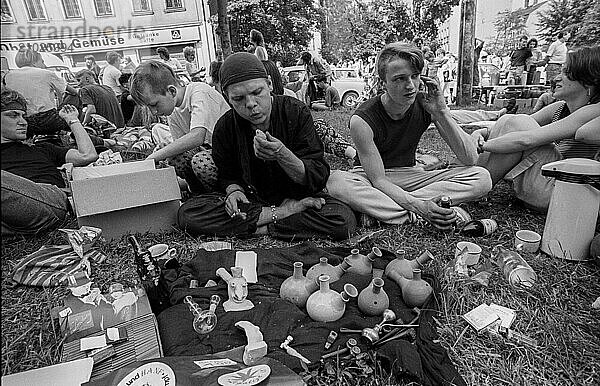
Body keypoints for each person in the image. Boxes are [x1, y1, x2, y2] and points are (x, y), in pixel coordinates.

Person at [177, 53, 357, 240]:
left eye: (257, 93)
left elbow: (318, 175)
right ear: (227, 97)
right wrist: (234, 190)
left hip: (297, 195)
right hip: (254, 202)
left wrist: (282, 154)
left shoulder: (295, 112)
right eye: (238, 99)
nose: (251, 104)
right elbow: (227, 175)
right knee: (188, 214)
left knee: (342, 220)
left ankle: (258, 227)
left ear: (269, 84)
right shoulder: (225, 126)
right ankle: (283, 215)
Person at [325, 43, 492, 229]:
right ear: (383, 83)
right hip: (371, 177)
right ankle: (419, 213)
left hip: (411, 175)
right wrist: (420, 206)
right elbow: (379, 180)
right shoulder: (362, 119)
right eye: (400, 79)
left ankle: (382, 211)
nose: (410, 86)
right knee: (337, 182)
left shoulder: (426, 104)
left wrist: (442, 111)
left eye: (415, 76)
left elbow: (470, 158)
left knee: (482, 177)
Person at [474, 45, 600, 212]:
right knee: (509, 120)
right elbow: (510, 127)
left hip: (565, 193)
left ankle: (474, 188)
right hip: (546, 185)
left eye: (566, 73)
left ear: (587, 82)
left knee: (519, 124)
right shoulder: (560, 107)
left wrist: (483, 146)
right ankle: (473, 180)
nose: (557, 78)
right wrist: (479, 133)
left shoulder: (595, 111)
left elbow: (526, 139)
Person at [1, 88, 98, 236]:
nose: (23, 122)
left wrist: (72, 120)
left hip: (49, 201)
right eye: (13, 116)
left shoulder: (41, 149)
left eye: (23, 116)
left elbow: (88, 155)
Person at [130, 61, 230, 193]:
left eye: (154, 105)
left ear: (171, 91)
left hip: (230, 155)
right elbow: (180, 148)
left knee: (200, 162)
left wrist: (152, 157)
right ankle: (197, 191)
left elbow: (197, 136)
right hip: (210, 152)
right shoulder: (173, 112)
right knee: (169, 151)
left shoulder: (199, 92)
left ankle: (220, 194)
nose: (153, 111)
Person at [3, 48, 75, 142]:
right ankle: (78, 135)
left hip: (23, 120)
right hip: (47, 120)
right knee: (75, 100)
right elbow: (73, 91)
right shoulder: (47, 73)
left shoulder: (8, 75)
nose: (44, 65)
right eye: (42, 61)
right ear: (34, 62)